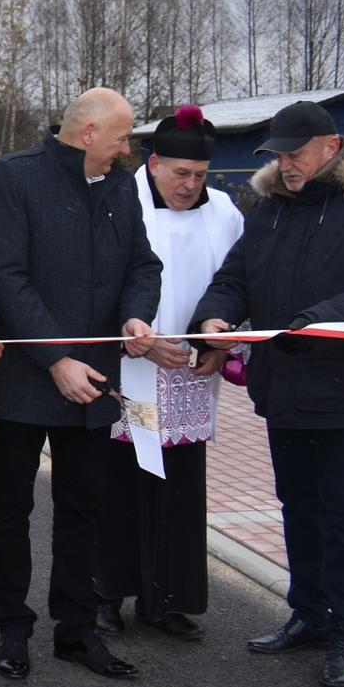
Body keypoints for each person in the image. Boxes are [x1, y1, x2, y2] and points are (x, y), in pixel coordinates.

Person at [193, 100, 344, 687]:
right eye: (278, 155)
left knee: (343, 513)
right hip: (283, 385)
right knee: (297, 505)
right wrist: (214, 316)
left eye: (295, 153)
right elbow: (235, 277)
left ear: (331, 147)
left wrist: (312, 324)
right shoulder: (270, 209)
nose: (285, 164)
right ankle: (308, 613)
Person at [0, 87, 162, 681]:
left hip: (97, 385)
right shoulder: (14, 177)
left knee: (84, 509)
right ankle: (12, 626)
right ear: (88, 133)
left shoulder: (122, 184)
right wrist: (56, 358)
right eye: (121, 135)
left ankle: (76, 632)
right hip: (28, 381)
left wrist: (137, 315)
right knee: (12, 507)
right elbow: (6, 276)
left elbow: (143, 264)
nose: (127, 147)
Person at [92, 105, 243, 643]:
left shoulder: (224, 211)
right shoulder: (119, 201)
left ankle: (168, 598)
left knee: (180, 487)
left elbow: (236, 280)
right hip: (134, 366)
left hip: (192, 372)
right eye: (181, 173)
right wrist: (141, 340)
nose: (190, 186)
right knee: (122, 481)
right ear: (154, 163)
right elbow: (98, 283)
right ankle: (107, 594)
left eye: (200, 176)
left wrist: (219, 345)